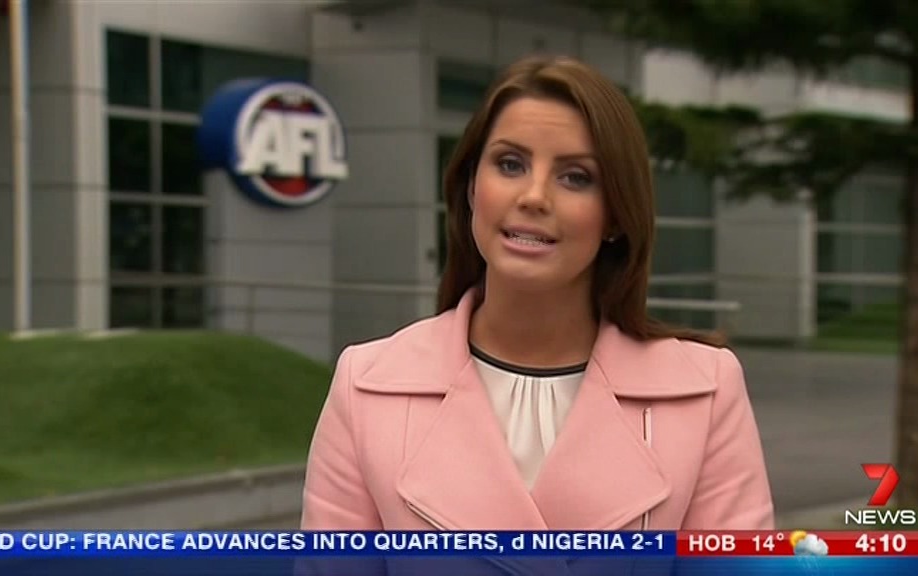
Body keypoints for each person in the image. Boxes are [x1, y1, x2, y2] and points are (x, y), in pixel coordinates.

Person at [301, 55, 774, 533]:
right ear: (471, 188)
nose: (533, 196)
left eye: (575, 177)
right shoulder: (365, 386)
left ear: (615, 214)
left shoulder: (707, 390)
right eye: (510, 164)